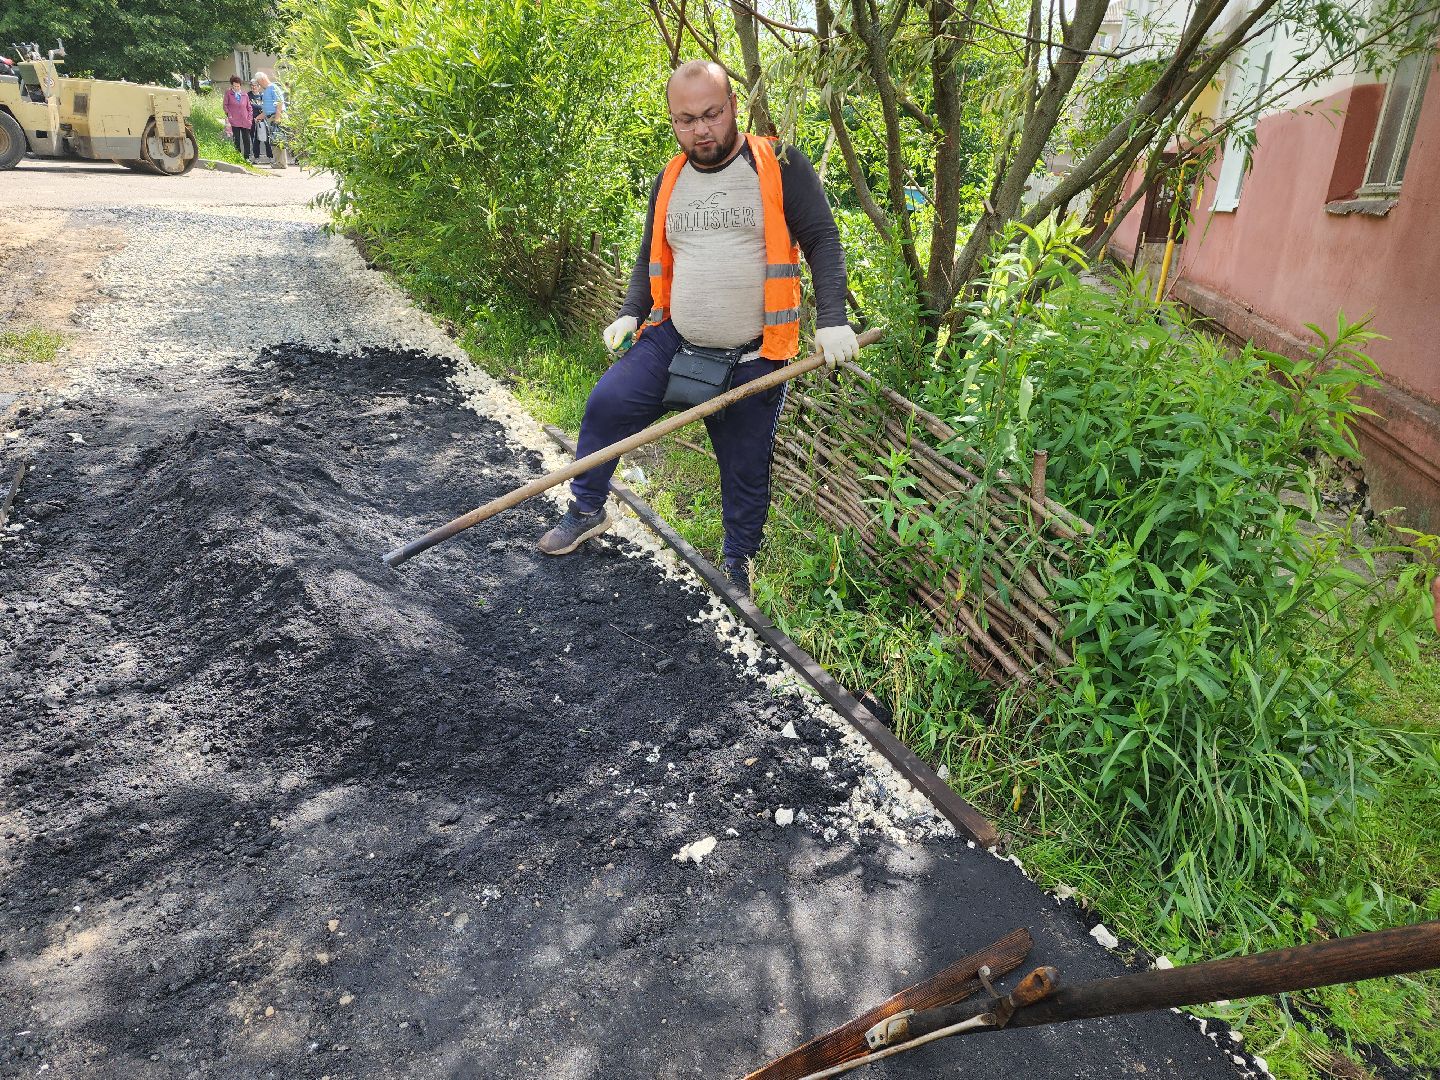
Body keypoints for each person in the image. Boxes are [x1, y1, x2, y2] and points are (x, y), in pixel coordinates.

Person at [536, 60, 858, 594]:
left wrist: (833, 321)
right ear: (672, 120)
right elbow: (650, 255)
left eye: (711, 114)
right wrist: (630, 311)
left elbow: (823, 239)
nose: (701, 130)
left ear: (733, 106)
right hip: (671, 339)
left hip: (753, 353)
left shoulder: (777, 163)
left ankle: (739, 567)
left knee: (745, 469)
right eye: (686, 120)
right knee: (607, 404)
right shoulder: (670, 177)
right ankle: (587, 509)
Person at [254, 71, 286, 169]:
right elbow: (267, 109)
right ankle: (279, 162)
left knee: (278, 140)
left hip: (276, 117)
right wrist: (260, 116)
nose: (259, 85)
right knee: (275, 141)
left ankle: (281, 163)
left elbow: (280, 102)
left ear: (262, 79)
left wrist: (277, 117)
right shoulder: (266, 91)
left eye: (259, 82)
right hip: (271, 117)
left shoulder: (273, 87)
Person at [221, 75, 254, 162]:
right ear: (232, 85)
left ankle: (247, 157)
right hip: (234, 120)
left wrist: (249, 118)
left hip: (245, 120)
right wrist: (229, 114)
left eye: (238, 86)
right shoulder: (228, 93)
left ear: (240, 86)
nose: (236, 88)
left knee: (246, 139)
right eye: (234, 86)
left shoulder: (244, 94)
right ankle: (237, 156)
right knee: (237, 138)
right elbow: (225, 105)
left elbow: (249, 107)